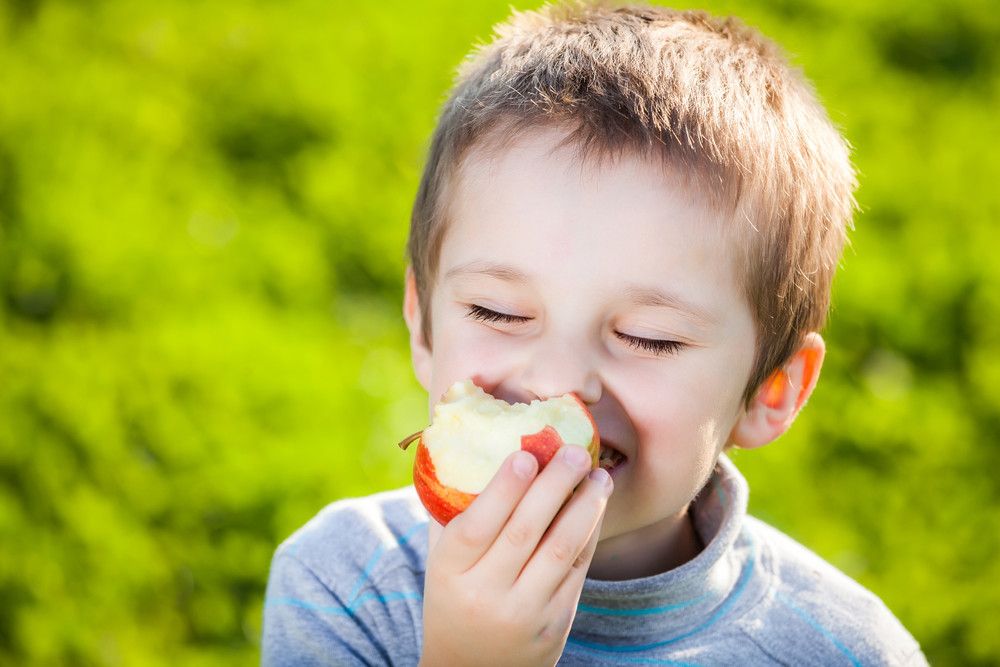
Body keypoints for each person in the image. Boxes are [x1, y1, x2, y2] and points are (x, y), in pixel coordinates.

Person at [262, 3, 928, 664]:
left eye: (649, 337)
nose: (557, 379)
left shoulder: (848, 652)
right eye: (498, 311)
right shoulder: (342, 588)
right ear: (422, 322)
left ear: (771, 390)